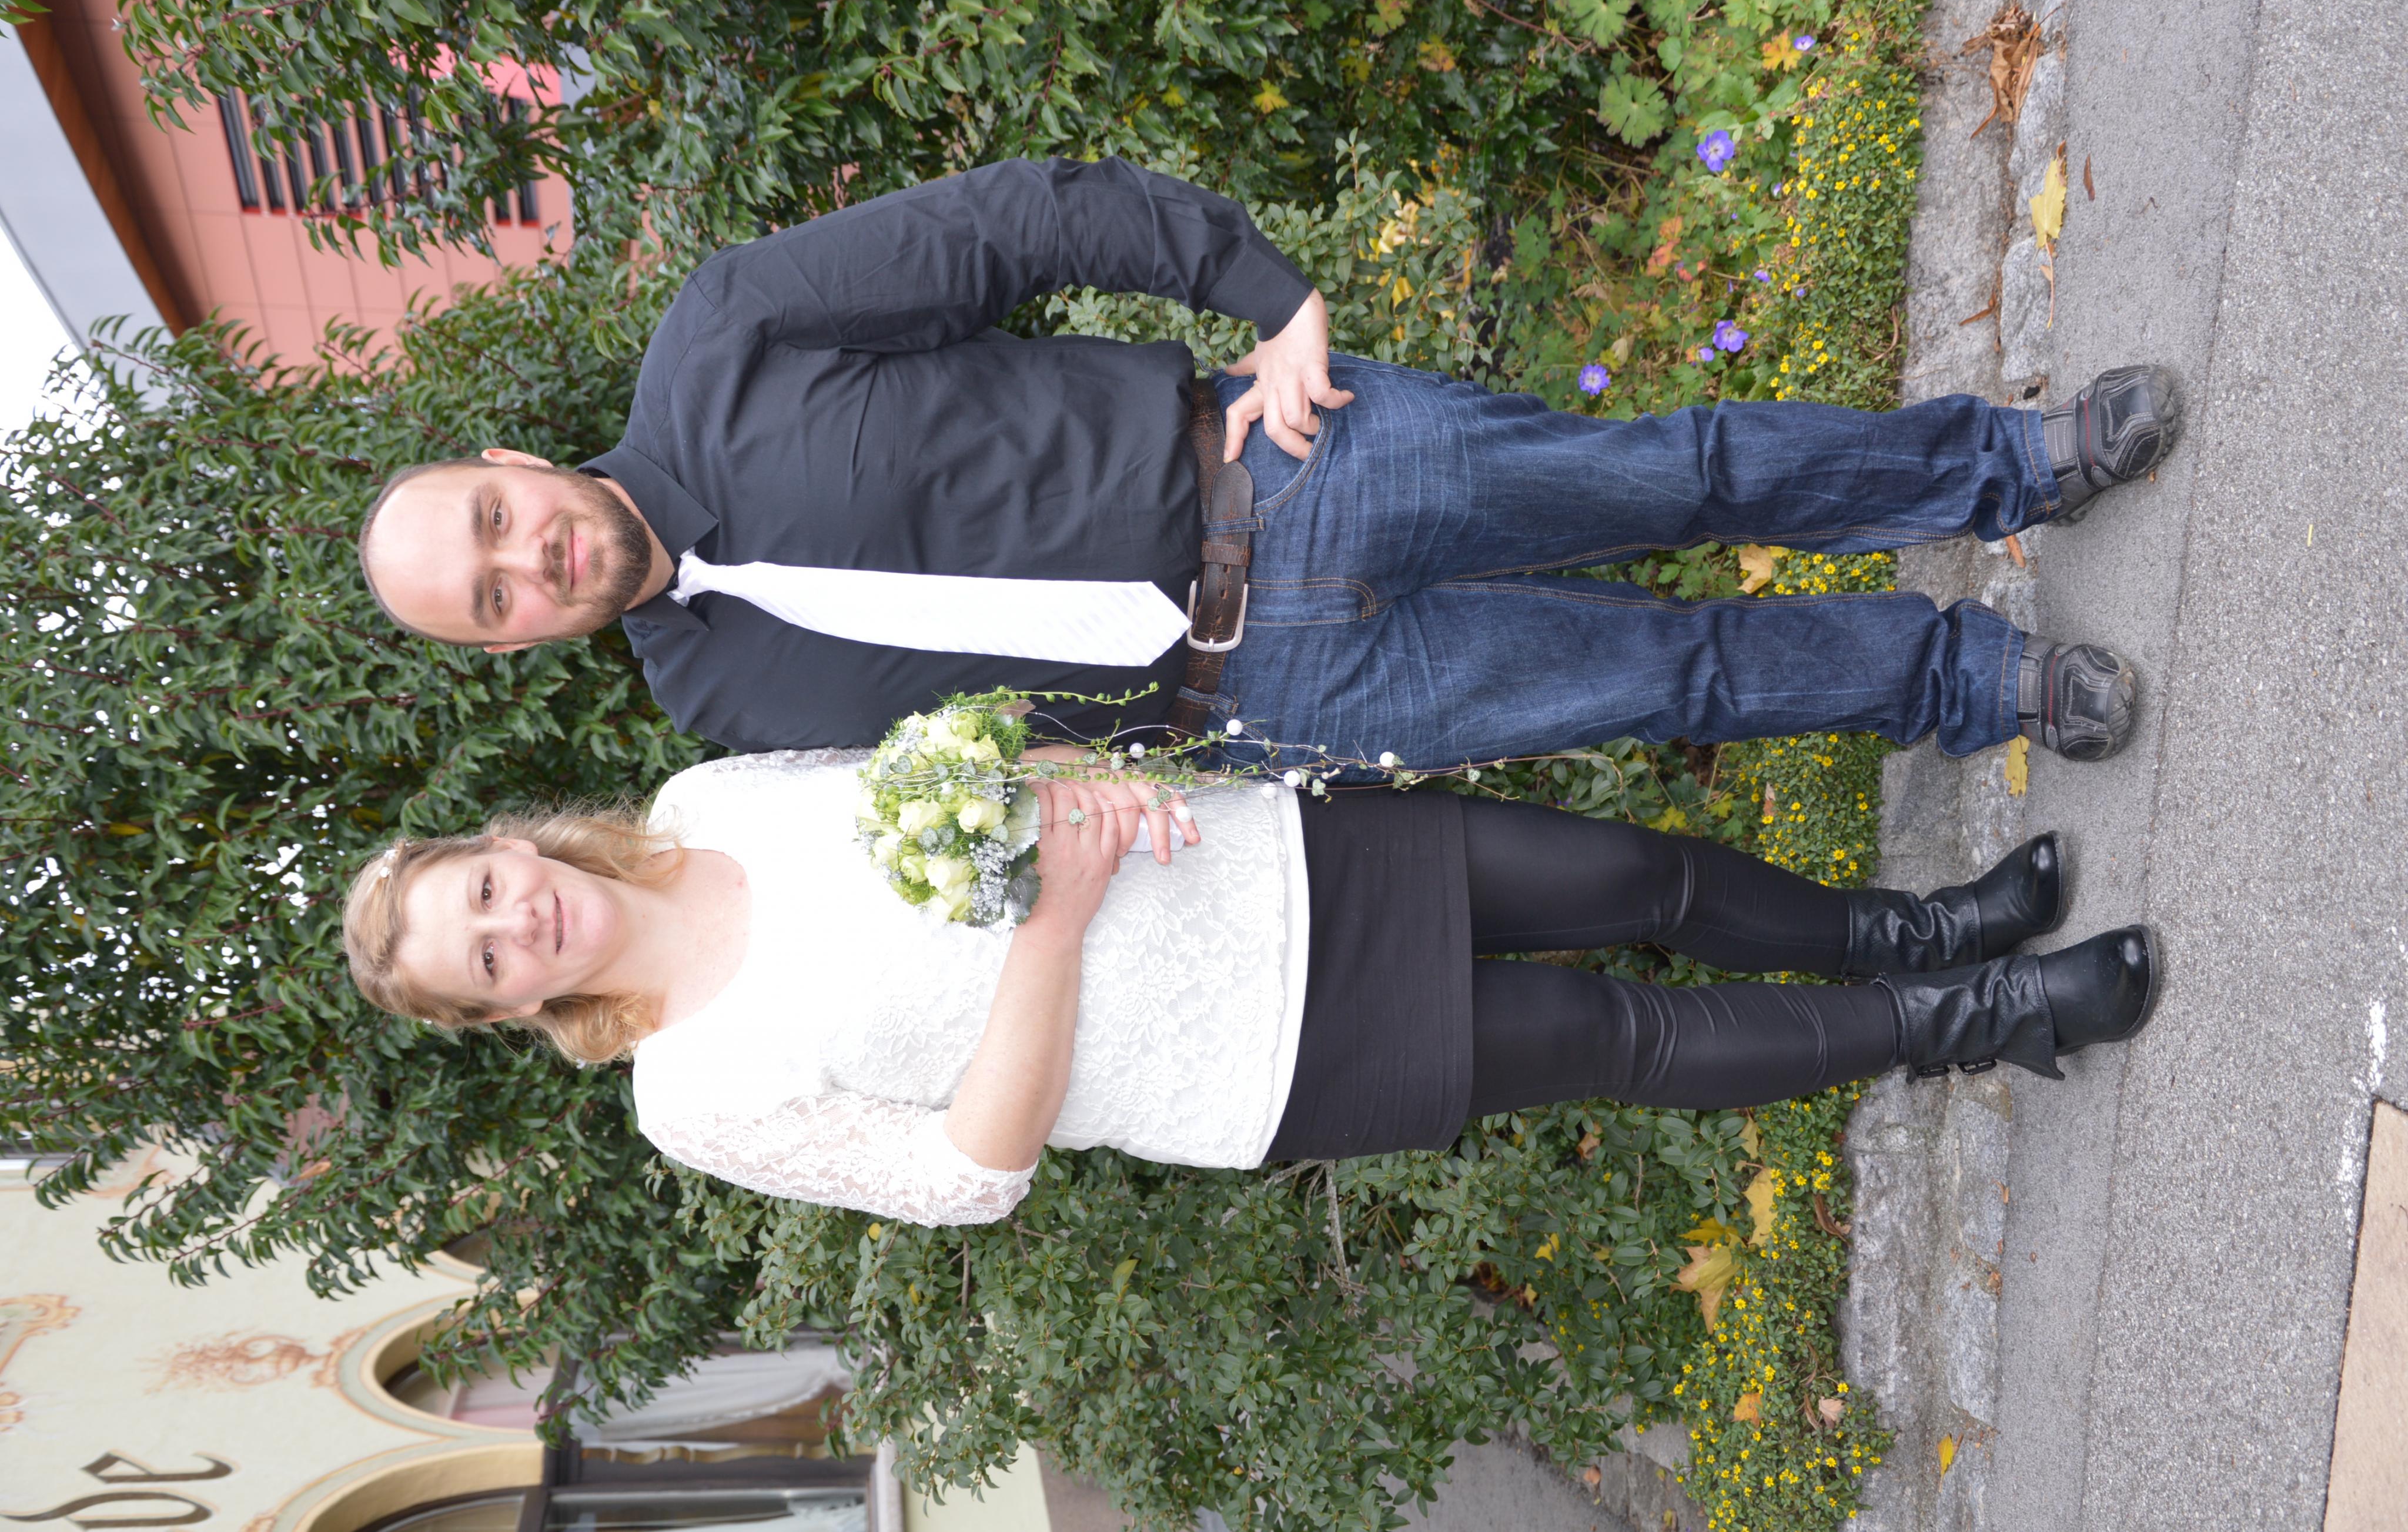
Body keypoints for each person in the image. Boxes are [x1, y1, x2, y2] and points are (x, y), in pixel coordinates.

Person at [352, 156, 2179, 779]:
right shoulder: (718, 710)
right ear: (510, 645)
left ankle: (2012, 465)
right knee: (1668, 675)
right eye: (492, 598)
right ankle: (1971, 681)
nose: (530, 560)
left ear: (509, 462)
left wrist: (1261, 291)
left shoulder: (724, 338)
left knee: (1675, 469)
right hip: (1274, 693)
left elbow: (1008, 226)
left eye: (495, 521)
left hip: (1282, 465)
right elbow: (981, 788)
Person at [340, 752, 2158, 1227]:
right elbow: (968, 1174)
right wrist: (1051, 929)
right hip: (1252, 1052)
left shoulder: (704, 803)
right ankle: (1996, 1018)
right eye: (483, 960)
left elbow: (943, 768)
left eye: (482, 892)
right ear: (503, 1011)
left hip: (1258, 858)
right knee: (1625, 1030)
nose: (518, 925)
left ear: (504, 846)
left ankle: (1928, 927)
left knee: (1641, 875)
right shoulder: (687, 1096)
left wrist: (1078, 783)